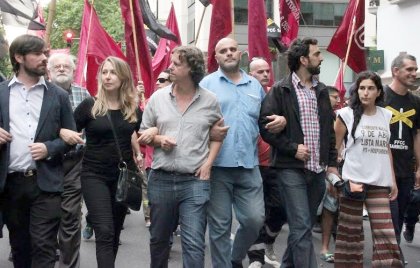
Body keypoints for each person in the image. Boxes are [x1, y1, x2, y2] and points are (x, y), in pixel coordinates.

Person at [200, 37, 285, 268]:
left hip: (249, 166)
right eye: (223, 51)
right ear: (216, 57)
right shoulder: (206, 85)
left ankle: (234, 257)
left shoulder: (255, 86)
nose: (228, 53)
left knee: (254, 220)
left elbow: (266, 119)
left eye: (232, 49)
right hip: (217, 167)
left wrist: (280, 119)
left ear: (240, 55)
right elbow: (195, 123)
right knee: (219, 226)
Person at [139, 45, 223, 268]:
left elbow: (218, 135)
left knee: (194, 242)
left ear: (191, 68)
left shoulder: (210, 100)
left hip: (194, 181)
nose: (170, 67)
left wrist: (208, 164)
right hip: (161, 178)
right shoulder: (157, 98)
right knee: (159, 240)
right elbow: (143, 133)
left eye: (177, 64)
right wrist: (158, 139)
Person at [259, 37, 339, 268]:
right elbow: (265, 127)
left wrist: (331, 164)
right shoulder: (280, 89)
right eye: (316, 54)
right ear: (303, 60)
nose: (321, 57)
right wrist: (293, 149)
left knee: (299, 229)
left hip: (317, 171)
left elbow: (329, 133)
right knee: (302, 225)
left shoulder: (322, 91)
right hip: (289, 169)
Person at [0, 34, 76, 268]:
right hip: (11, 184)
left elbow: (71, 139)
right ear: (19, 57)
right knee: (20, 247)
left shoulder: (59, 96)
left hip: (45, 183)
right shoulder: (1, 93)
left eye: (46, 53)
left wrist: (49, 147)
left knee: (44, 246)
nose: (45, 58)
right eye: (38, 54)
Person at [73, 56, 143, 268]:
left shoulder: (132, 109)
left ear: (123, 77)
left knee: (113, 232)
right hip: (94, 175)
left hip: (123, 177)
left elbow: (141, 133)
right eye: (104, 72)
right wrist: (66, 137)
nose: (108, 76)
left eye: (113, 72)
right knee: (103, 230)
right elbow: (68, 130)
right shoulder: (89, 106)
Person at [334, 71, 402, 267]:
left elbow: (386, 149)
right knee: (350, 236)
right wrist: (335, 180)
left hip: (380, 183)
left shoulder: (386, 115)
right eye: (362, 88)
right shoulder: (345, 115)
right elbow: (335, 149)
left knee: (386, 235)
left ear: (379, 92)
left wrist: (393, 180)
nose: (365, 92)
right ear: (357, 91)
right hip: (353, 182)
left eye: (371, 88)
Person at [47, 52, 90, 268]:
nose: (62, 68)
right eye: (57, 66)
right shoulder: (40, 94)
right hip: (45, 164)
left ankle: (69, 264)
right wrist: (60, 131)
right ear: (49, 71)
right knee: (45, 218)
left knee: (71, 217)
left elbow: (92, 129)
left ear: (74, 71)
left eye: (66, 66)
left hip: (74, 164)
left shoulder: (85, 95)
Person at [247, 57, 287, 268]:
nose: (264, 74)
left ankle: (269, 240)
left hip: (277, 162)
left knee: (281, 209)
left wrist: (284, 119)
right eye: (259, 71)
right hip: (253, 163)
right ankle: (256, 257)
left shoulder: (278, 95)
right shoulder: (246, 95)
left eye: (266, 71)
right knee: (256, 213)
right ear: (250, 74)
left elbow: (291, 118)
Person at [383, 54, 420, 251]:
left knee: (398, 216)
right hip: (382, 170)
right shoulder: (381, 97)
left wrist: (419, 168)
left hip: (405, 169)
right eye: (410, 69)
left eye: (415, 69)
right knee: (389, 217)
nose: (414, 73)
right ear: (395, 71)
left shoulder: (415, 102)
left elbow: (416, 136)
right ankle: (391, 255)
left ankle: (391, 254)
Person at [318, 86, 340, 263]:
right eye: (334, 97)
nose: (337, 100)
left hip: (343, 167)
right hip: (326, 168)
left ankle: (342, 247)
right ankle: (324, 247)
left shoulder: (340, 116)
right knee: (328, 208)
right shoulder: (321, 117)